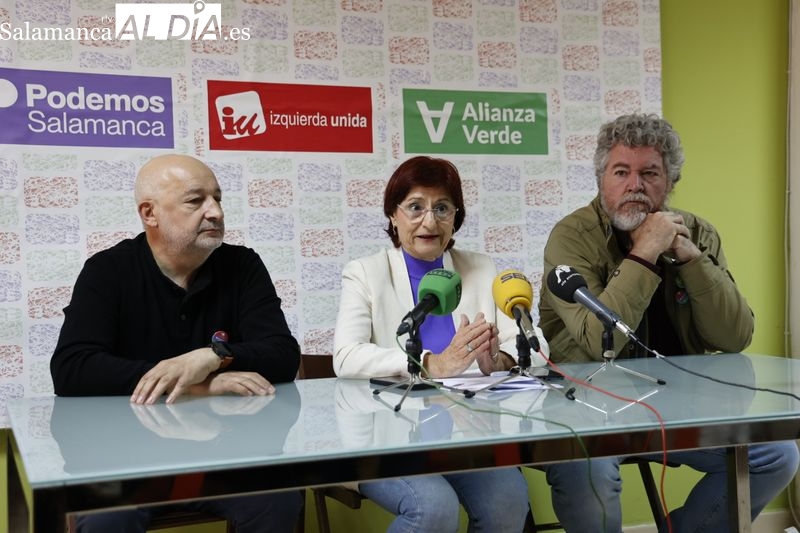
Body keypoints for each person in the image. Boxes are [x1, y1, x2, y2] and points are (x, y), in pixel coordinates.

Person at [537, 113, 800, 532]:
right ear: (602, 179)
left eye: (650, 173)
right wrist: (643, 254)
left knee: (777, 453)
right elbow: (595, 341)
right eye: (620, 172)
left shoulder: (698, 232)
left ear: (670, 182)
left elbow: (735, 336)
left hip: (679, 404)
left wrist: (692, 261)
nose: (634, 185)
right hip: (590, 407)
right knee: (585, 470)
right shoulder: (570, 237)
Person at [50, 154, 303, 533]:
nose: (215, 212)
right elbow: (72, 369)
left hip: (224, 453)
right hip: (125, 459)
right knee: (106, 518)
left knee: (279, 500)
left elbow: (283, 355)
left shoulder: (242, 265)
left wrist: (211, 357)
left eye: (217, 198)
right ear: (150, 213)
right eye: (195, 200)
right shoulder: (107, 270)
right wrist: (201, 386)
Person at [333, 155, 549, 532]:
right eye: (415, 207)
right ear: (393, 215)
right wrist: (431, 365)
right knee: (433, 507)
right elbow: (346, 356)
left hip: (469, 439)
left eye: (442, 208)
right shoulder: (365, 273)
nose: (429, 221)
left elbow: (537, 344)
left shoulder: (482, 269)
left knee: (509, 498)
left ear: (456, 217)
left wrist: (499, 360)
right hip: (387, 440)